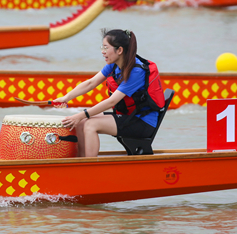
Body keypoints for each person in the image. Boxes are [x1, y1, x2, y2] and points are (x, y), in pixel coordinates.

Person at [55, 29, 165, 157]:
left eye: (106, 47)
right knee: (80, 122)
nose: (103, 51)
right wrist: (66, 98)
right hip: (129, 116)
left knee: (90, 124)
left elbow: (112, 102)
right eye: (102, 47)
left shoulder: (136, 71)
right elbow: (91, 83)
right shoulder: (114, 64)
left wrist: (81, 114)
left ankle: (89, 167)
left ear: (119, 50)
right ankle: (81, 160)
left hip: (143, 122)